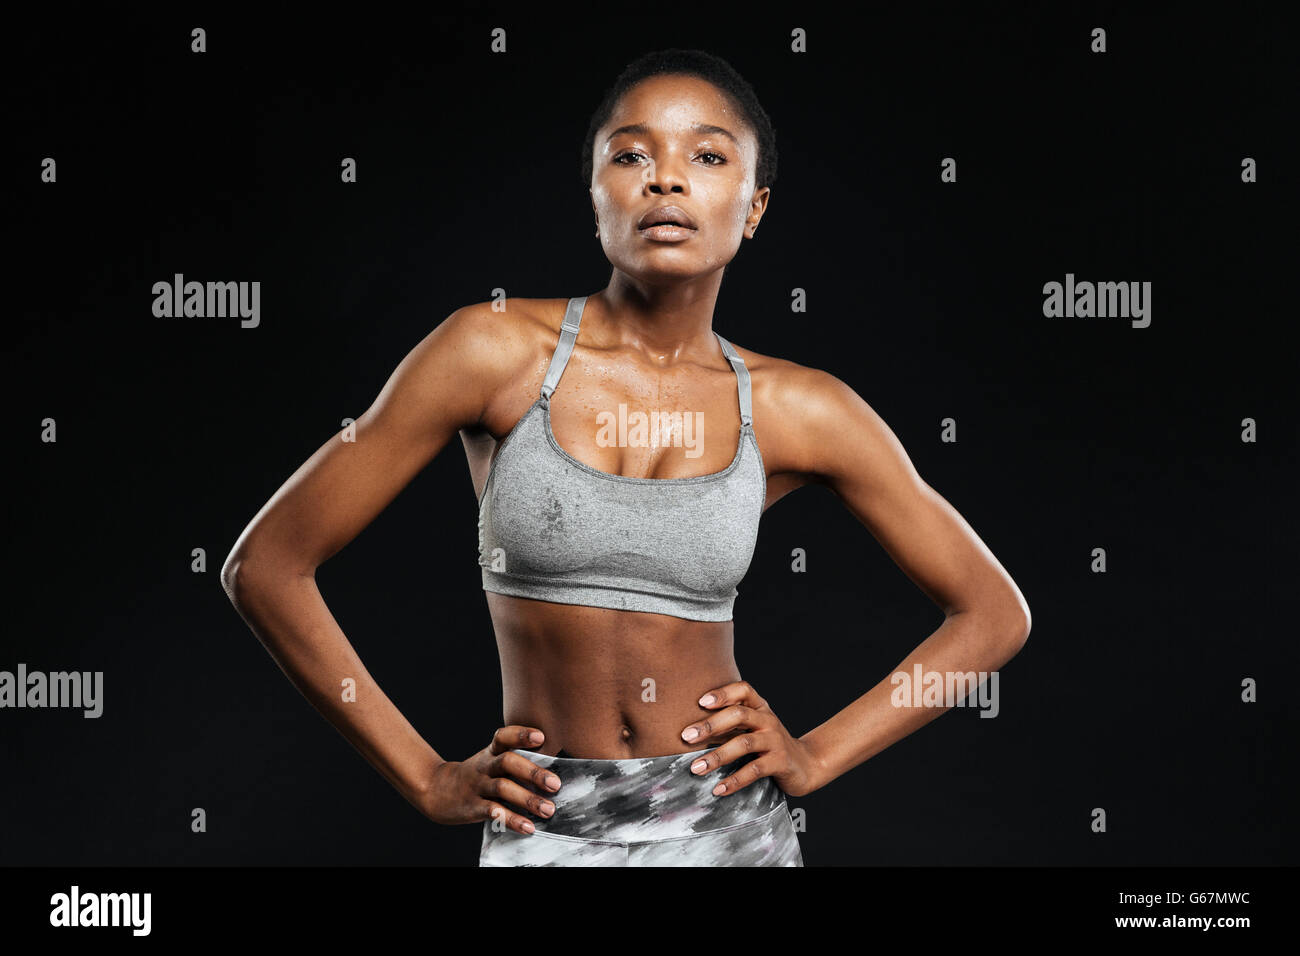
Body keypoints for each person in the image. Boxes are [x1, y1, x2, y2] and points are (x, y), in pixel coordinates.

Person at [220, 48, 1031, 867]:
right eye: (631, 154)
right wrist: (426, 778)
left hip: (728, 829)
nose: (666, 180)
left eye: (707, 156)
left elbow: (992, 613)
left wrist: (815, 756)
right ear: (597, 195)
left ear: (753, 208)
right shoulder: (492, 352)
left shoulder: (796, 406)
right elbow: (266, 566)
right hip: (546, 828)